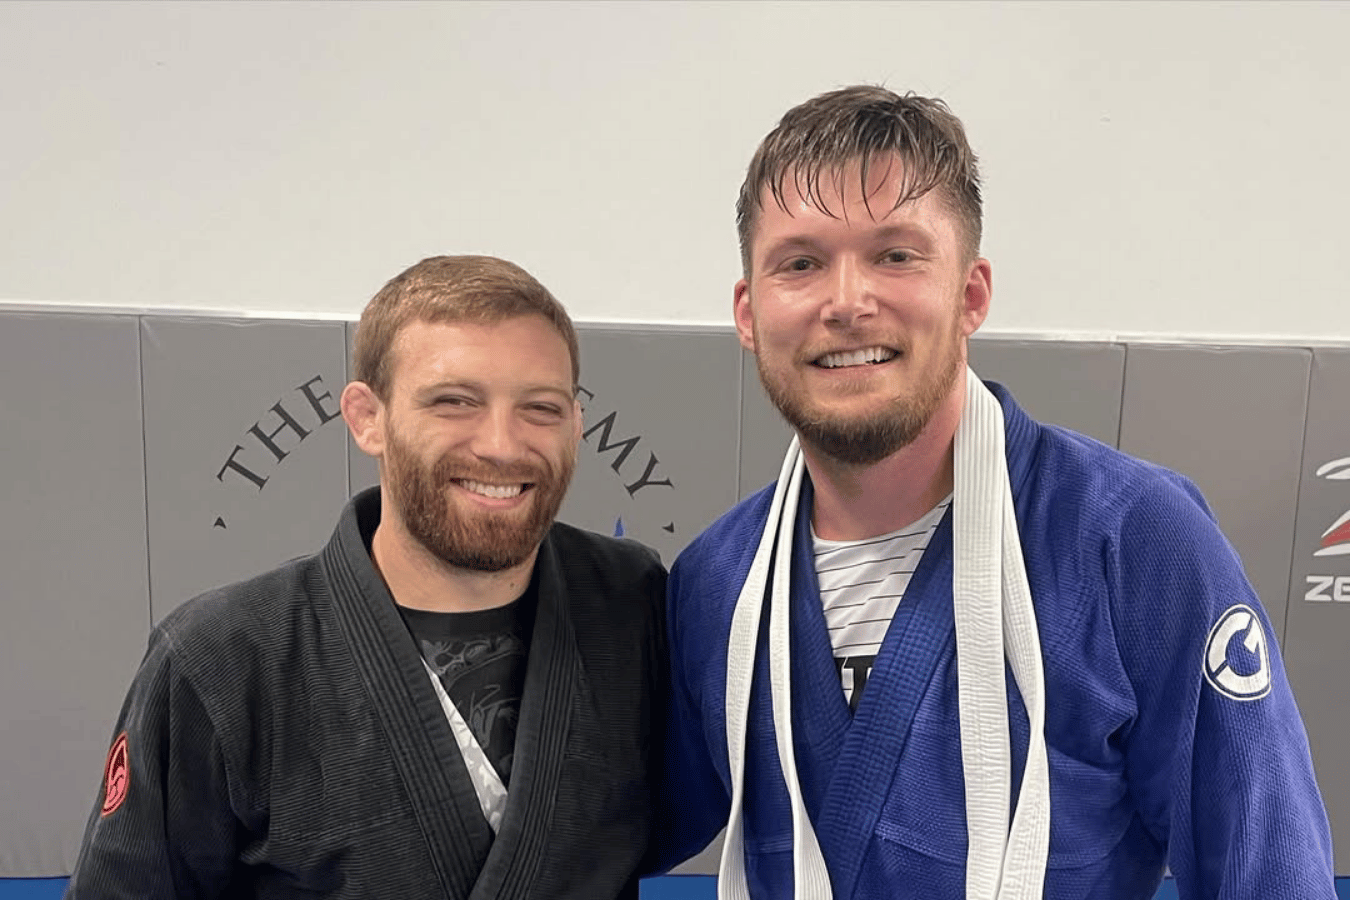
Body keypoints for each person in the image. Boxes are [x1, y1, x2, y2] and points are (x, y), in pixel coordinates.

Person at [655, 86, 1337, 899]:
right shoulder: (716, 586)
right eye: (800, 263)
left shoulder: (1132, 544)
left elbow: (1268, 876)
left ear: (971, 294)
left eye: (896, 255)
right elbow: (606, 827)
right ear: (748, 311)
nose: (845, 302)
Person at [65, 255, 667, 900]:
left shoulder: (629, 605)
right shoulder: (222, 658)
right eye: (454, 402)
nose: (501, 443)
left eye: (541, 408)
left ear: (576, 423)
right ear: (366, 418)